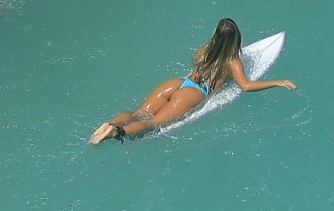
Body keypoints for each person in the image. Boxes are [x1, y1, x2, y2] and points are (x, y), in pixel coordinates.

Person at [89, 18, 297, 144]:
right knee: (151, 124)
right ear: (236, 39)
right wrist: (277, 82)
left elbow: (196, 62)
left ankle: (110, 124)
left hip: (178, 82)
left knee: (138, 113)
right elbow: (245, 85)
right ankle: (117, 132)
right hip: (195, 92)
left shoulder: (204, 50)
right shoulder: (233, 62)